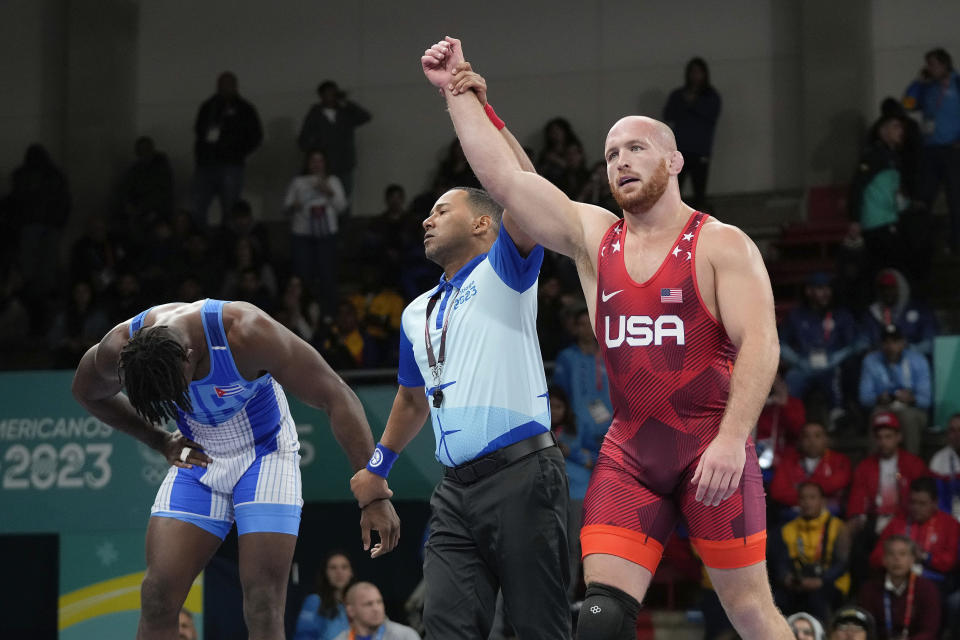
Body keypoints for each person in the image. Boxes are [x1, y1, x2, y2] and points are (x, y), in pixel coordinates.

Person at [421, 37, 793, 639]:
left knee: (751, 612)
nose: (621, 160)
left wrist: (731, 440)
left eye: (637, 148)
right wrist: (457, 92)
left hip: (711, 450)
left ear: (673, 162)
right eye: (613, 151)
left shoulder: (721, 243)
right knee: (598, 620)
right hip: (632, 456)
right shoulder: (596, 238)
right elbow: (509, 182)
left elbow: (762, 344)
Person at [350, 60, 570, 640]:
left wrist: (479, 108)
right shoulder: (416, 310)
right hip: (455, 491)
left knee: (536, 630)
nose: (426, 218)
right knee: (443, 627)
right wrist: (378, 468)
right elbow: (410, 398)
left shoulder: (507, 271)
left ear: (484, 224)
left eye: (441, 210)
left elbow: (525, 190)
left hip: (523, 476)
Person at [70, 299, 399, 639]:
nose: (176, 399)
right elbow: (86, 391)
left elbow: (337, 396)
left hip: (266, 455)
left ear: (188, 353)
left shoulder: (245, 332)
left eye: (175, 390)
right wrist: (159, 439)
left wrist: (372, 495)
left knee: (262, 601)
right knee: (156, 596)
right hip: (199, 458)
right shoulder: (120, 346)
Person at [779, 272, 860, 428]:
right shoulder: (796, 315)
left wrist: (836, 357)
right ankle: (790, 424)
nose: (825, 293)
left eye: (828, 289)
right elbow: (781, 343)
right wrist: (796, 360)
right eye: (820, 289)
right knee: (792, 379)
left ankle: (838, 417)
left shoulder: (841, 315)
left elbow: (854, 344)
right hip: (803, 366)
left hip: (832, 367)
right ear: (809, 291)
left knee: (838, 374)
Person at [903, 48, 960, 254]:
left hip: (952, 151)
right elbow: (907, 105)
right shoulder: (926, 87)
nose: (929, 68)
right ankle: (921, 245)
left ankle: (956, 244)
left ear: (945, 65)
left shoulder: (957, 83)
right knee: (923, 199)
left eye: (933, 64)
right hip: (930, 151)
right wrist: (917, 82)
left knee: (955, 199)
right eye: (927, 64)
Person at [191, 72, 263, 228]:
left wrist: (237, 151)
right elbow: (198, 130)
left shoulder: (245, 109)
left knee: (230, 209)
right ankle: (198, 243)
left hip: (231, 165)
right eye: (221, 84)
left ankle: (227, 245)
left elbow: (256, 136)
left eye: (228, 84)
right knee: (197, 206)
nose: (224, 88)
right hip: (205, 164)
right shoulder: (208, 106)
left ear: (235, 86)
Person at [773, 482, 851, 623]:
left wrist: (821, 581)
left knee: (818, 600)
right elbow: (782, 562)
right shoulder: (787, 529)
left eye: (812, 497)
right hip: (798, 583)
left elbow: (842, 564)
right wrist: (787, 578)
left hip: (828, 582)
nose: (807, 502)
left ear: (823, 501)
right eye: (803, 498)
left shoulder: (839, 527)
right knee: (778, 600)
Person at [284, 149, 348, 313]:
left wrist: (329, 191)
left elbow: (342, 207)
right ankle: (303, 313)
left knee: (327, 275)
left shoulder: (333, 180)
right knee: (303, 276)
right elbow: (285, 208)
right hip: (302, 235)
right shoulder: (298, 182)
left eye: (320, 161)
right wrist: (293, 206)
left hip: (327, 235)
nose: (316, 164)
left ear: (325, 163)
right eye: (313, 160)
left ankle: (328, 314)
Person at [868, 477, 960, 582]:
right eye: (912, 502)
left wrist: (925, 556)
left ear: (935, 503)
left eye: (922, 504)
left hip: (936, 582)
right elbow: (876, 557)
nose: (916, 508)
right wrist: (897, 557)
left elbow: (950, 562)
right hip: (900, 579)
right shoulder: (898, 522)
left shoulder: (950, 524)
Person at [858, 324, 931, 455]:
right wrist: (879, 398)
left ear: (903, 343)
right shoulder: (871, 361)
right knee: (878, 417)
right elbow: (864, 398)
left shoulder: (918, 360)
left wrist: (911, 398)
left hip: (912, 409)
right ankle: (874, 468)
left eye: (895, 342)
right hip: (883, 406)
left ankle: (911, 464)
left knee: (908, 418)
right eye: (886, 342)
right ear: (881, 344)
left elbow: (926, 400)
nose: (890, 346)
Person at [553, 306, 614, 460]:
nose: (587, 329)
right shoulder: (566, 357)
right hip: (576, 429)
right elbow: (560, 395)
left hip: (608, 427)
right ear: (575, 328)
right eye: (582, 324)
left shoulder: (610, 356)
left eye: (590, 324)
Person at [662, 57, 722, 210]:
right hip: (679, 150)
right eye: (692, 72)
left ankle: (698, 228)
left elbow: (712, 115)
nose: (695, 76)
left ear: (705, 74)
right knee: (674, 191)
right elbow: (668, 115)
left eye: (699, 72)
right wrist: (685, 102)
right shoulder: (678, 95)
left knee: (699, 193)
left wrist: (693, 103)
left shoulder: (711, 96)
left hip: (700, 151)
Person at [297, 80, 372, 200]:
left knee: (344, 199)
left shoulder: (345, 112)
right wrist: (315, 152)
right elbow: (303, 140)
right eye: (327, 93)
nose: (331, 96)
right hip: (323, 166)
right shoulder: (315, 113)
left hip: (344, 164)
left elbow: (366, 117)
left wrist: (346, 103)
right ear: (321, 96)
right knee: (323, 198)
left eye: (333, 93)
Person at [858, 535, 941, 640]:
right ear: (884, 560)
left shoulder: (927, 589)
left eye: (902, 554)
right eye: (891, 554)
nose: (897, 559)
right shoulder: (869, 589)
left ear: (912, 560)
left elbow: (930, 630)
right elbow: (866, 627)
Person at [769, 422, 852, 514]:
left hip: (829, 516)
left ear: (826, 439)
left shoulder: (840, 460)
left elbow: (838, 483)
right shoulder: (788, 462)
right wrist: (814, 498)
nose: (812, 441)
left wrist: (801, 489)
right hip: (794, 515)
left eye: (817, 436)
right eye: (806, 436)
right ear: (800, 440)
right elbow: (777, 492)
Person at [861, 269, 937, 357]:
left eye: (892, 288)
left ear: (901, 288)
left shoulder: (919, 310)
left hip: (913, 361)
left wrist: (909, 348)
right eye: (883, 288)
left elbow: (931, 342)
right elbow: (863, 341)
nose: (887, 292)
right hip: (880, 363)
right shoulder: (872, 313)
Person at [293, 551, 354, 640]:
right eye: (333, 568)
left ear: (351, 573)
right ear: (325, 573)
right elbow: (304, 636)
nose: (339, 572)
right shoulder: (314, 601)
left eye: (344, 567)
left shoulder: (356, 604)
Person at [331, 582, 420, 640]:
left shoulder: (404, 636)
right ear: (351, 611)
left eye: (379, 602)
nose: (376, 608)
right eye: (368, 604)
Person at [929, 413, 960, 521]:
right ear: (947, 434)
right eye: (952, 430)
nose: (957, 435)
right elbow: (938, 501)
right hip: (949, 521)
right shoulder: (938, 460)